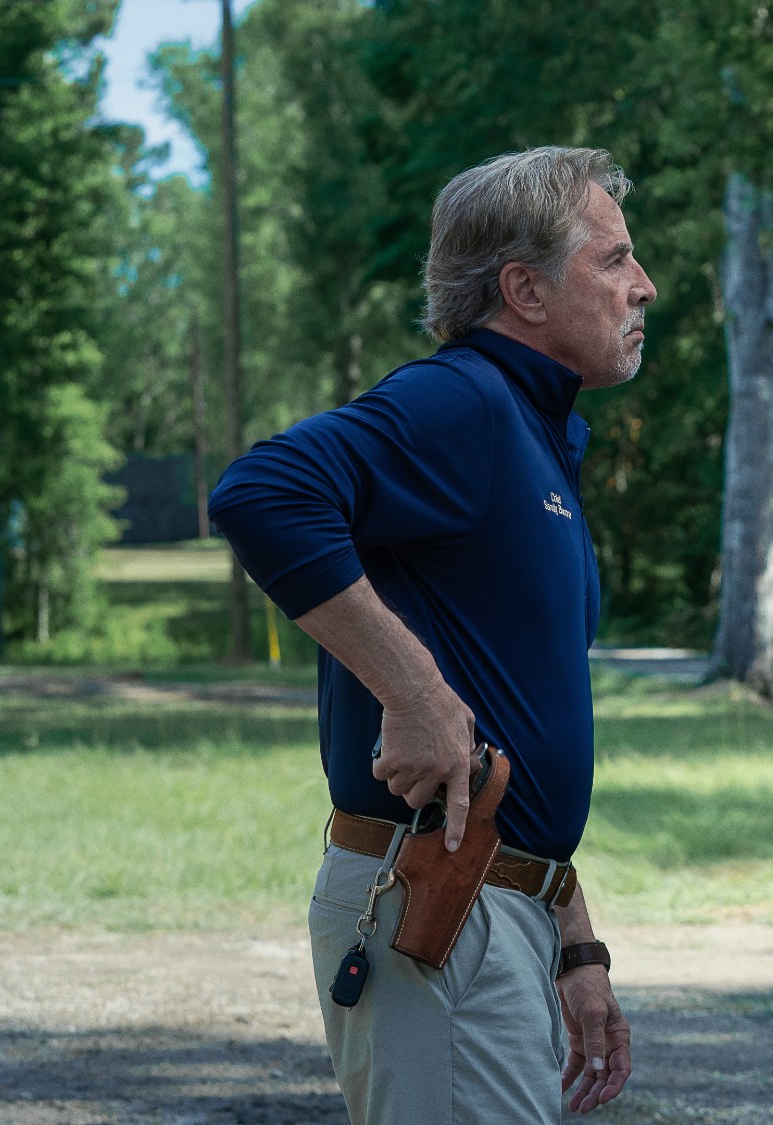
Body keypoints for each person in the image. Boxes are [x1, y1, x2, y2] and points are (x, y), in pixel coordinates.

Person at [209, 146, 655, 1123]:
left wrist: (572, 937)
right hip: (435, 907)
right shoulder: (464, 400)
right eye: (614, 259)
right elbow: (261, 492)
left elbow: (514, 720)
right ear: (523, 291)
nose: (644, 286)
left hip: (497, 904)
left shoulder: (532, 434)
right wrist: (413, 695)